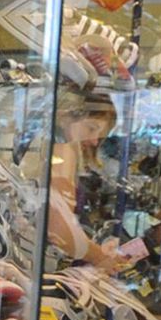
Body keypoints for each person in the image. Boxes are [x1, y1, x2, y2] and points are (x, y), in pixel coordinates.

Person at [49, 88, 129, 272]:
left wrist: (95, 248)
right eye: (91, 128)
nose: (94, 140)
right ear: (65, 117)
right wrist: (99, 256)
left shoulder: (64, 151)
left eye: (100, 135)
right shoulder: (63, 152)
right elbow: (58, 229)